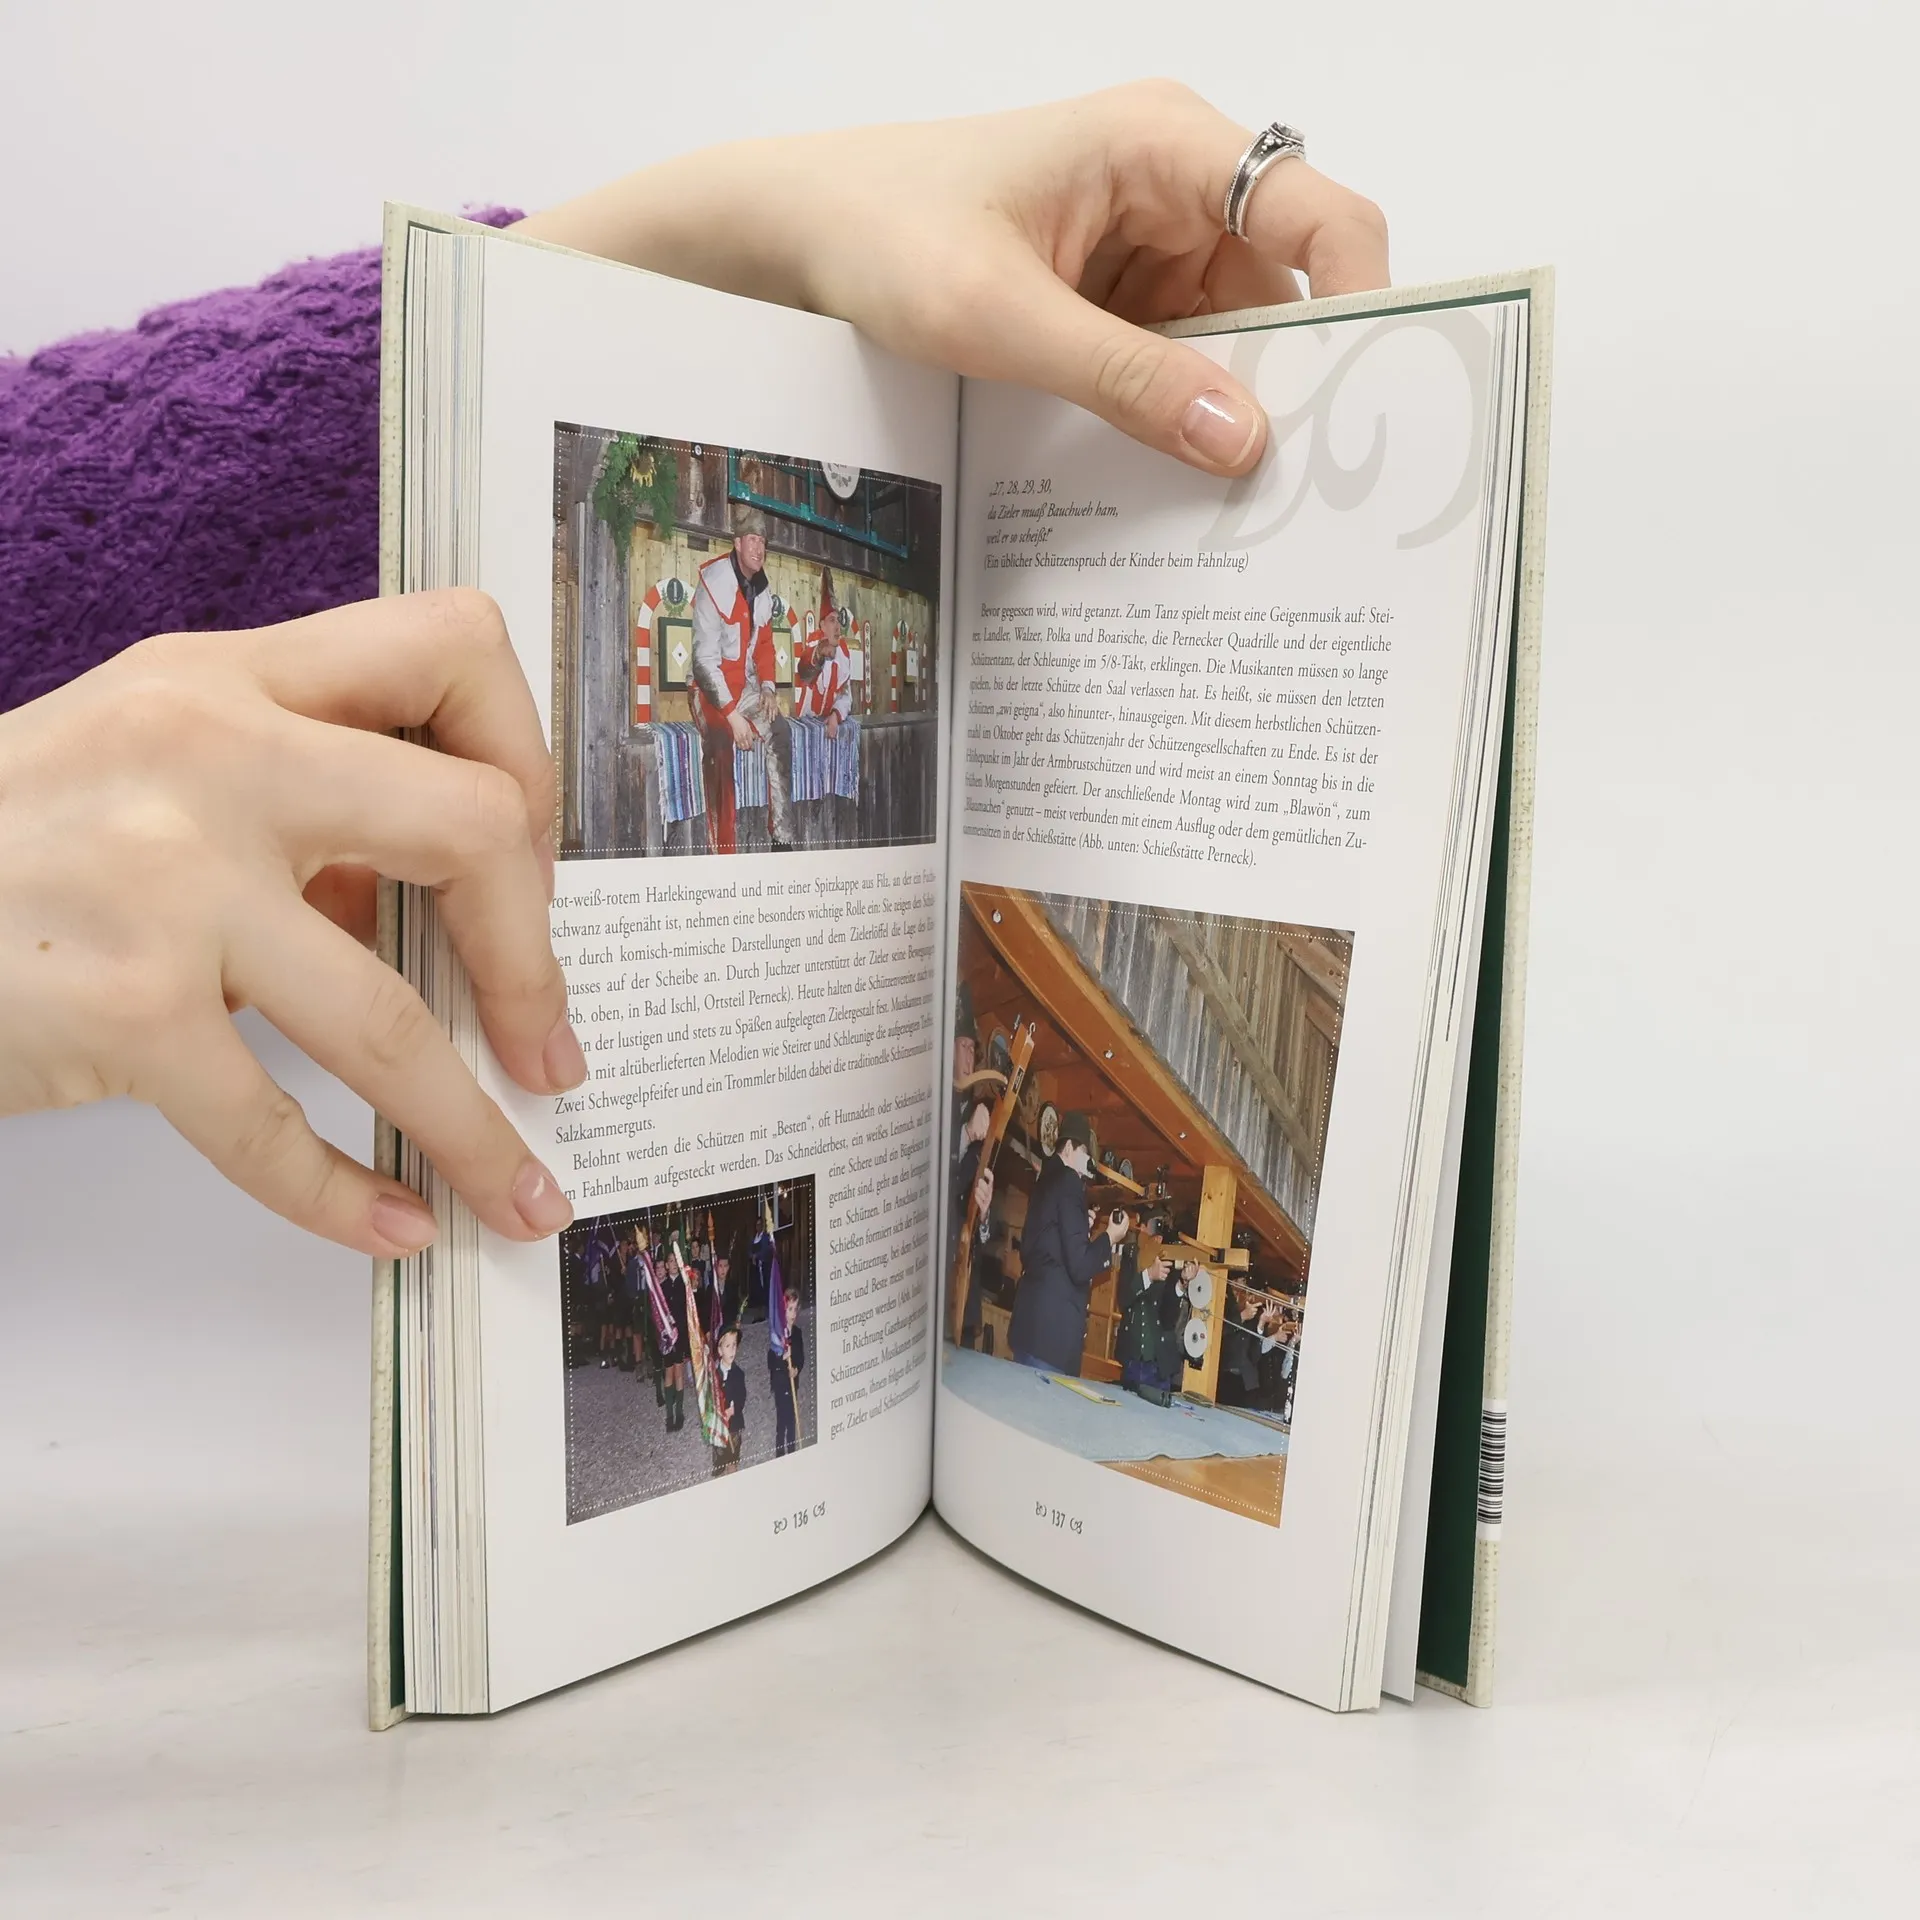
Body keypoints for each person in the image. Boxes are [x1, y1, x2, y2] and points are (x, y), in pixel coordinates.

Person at [0, 87, 1387, 1257]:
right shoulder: (718, 599)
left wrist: (730, 230)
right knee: (741, 771)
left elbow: (65, 510)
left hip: (755, 705)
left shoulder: (769, 602)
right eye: (745, 553)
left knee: (799, 758)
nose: (751, 561)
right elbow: (724, 661)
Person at [690, 507, 793, 853]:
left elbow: (765, 646)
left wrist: (768, 687)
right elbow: (703, 663)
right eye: (752, 540)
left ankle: (781, 836)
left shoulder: (761, 589)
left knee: (780, 731)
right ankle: (724, 852)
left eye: (762, 541)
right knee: (720, 745)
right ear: (737, 543)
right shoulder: (714, 583)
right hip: (709, 689)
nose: (758, 548)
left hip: (745, 687)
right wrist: (733, 717)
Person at [1007, 1110, 1128, 1375]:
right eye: (1084, 1151)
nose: (1088, 1160)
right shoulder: (1070, 1182)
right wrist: (1110, 1236)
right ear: (1070, 1148)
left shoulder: (1045, 1181)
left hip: (1030, 1329)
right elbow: (1080, 1266)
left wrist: (1081, 1226)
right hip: (1052, 1339)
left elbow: (1042, 1246)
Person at [1117, 1248, 1195, 1405]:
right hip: (1132, 1360)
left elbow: (1168, 1319)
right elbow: (1123, 1299)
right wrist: (1149, 1275)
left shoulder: (1171, 1256)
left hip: (1159, 1364)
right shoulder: (1131, 1252)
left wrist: (1181, 1284)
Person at [767, 1284, 806, 1459]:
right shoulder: (778, 1335)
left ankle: (792, 1451)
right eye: (790, 1309)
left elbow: (801, 1357)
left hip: (792, 1383)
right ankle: (780, 1452)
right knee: (783, 1419)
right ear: (783, 1310)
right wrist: (782, 1357)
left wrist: (796, 1369)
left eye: (795, 1309)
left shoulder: (797, 1333)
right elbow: (771, 1361)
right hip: (781, 1382)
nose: (793, 1314)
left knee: (792, 1418)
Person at [709, 1326, 747, 1477]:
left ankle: (732, 1473)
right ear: (719, 1351)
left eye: (734, 1345)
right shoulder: (714, 1375)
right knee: (720, 1454)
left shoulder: (738, 1374)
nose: (732, 1350)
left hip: (733, 1425)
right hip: (719, 1425)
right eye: (727, 1346)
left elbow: (741, 1397)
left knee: (732, 1457)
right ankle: (720, 1467)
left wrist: (733, 1410)